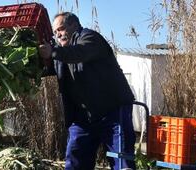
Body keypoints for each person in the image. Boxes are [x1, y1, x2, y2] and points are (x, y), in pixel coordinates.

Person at [39, 12, 136, 170]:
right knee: (75, 160)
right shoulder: (61, 53)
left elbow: (79, 53)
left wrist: (53, 52)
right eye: (55, 32)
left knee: (121, 161)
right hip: (82, 118)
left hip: (111, 113)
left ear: (74, 25)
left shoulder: (90, 38)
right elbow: (45, 68)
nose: (58, 35)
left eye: (61, 29)